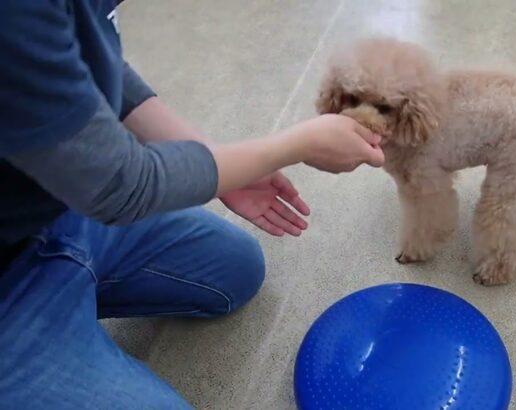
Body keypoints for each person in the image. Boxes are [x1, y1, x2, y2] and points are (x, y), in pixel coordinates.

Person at [0, 1, 384, 408]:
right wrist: (295, 145)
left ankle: (69, 321)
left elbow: (89, 60)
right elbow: (121, 185)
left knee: (237, 267)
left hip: (57, 204)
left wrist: (213, 160)